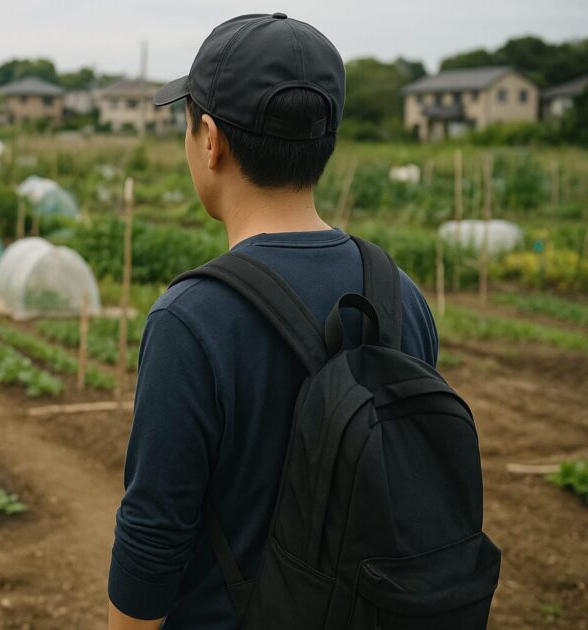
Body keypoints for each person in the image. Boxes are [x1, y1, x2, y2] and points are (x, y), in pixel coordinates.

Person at [108, 13, 438, 629]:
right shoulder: (401, 296)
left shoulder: (192, 318)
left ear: (210, 139)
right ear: (326, 141)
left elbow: (154, 534)